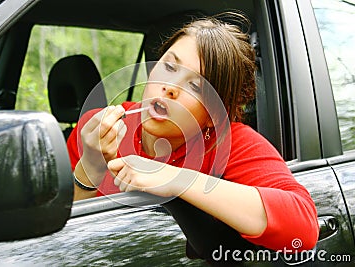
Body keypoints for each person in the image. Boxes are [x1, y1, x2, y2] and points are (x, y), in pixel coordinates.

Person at [66, 13, 319, 262]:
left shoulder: (230, 143)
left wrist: (177, 179)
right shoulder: (95, 129)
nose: (171, 88)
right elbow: (58, 239)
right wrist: (91, 165)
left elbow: (303, 229)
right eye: (169, 66)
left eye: (196, 86)